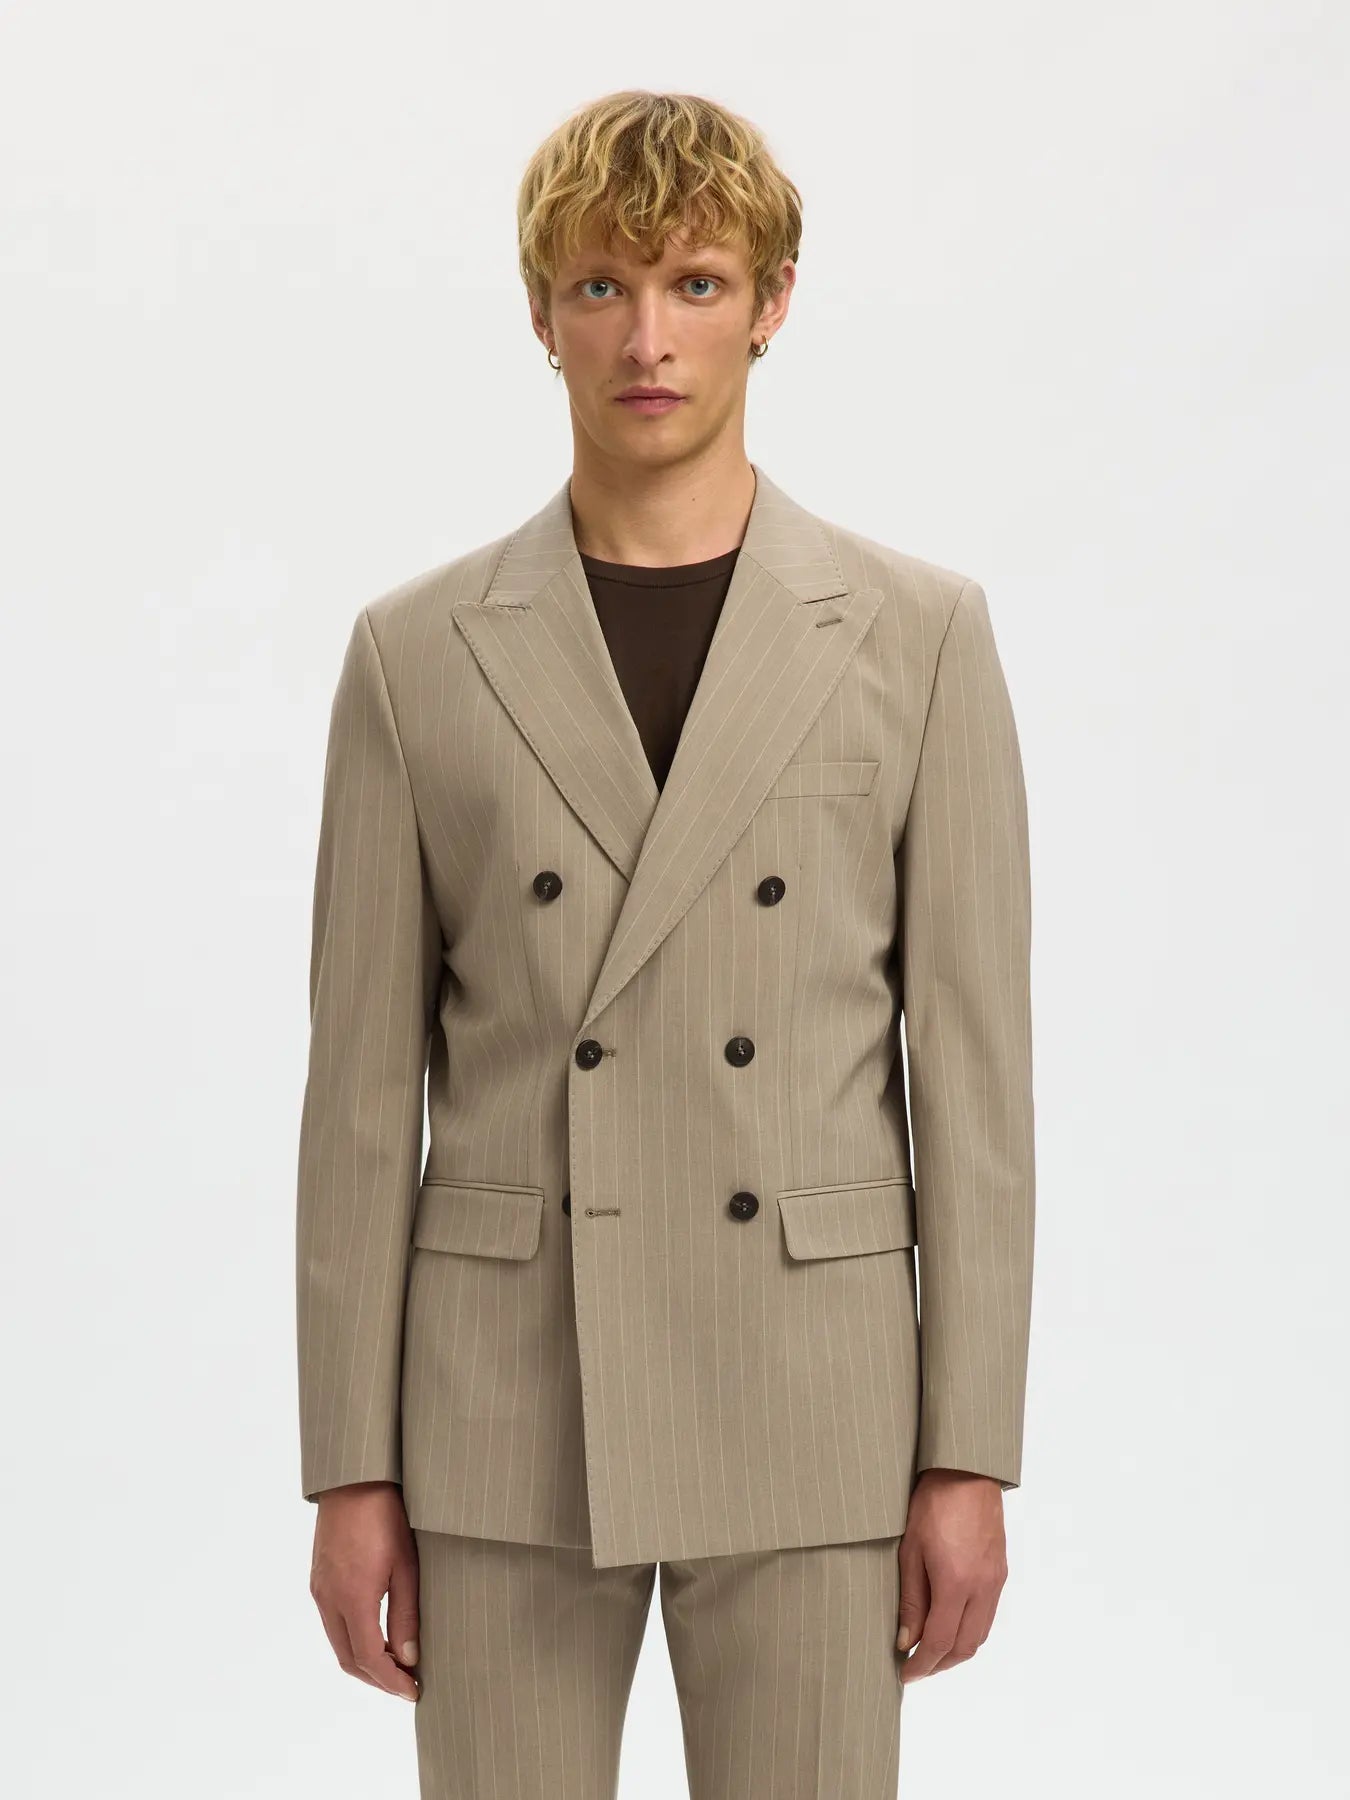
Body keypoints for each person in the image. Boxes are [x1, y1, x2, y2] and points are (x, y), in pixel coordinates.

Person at [295, 87, 1035, 1799]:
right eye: (601, 288)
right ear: (538, 312)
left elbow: (975, 1082)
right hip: (501, 1402)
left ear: (772, 303)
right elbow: (358, 1097)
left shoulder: (916, 636)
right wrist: (350, 1464)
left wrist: (967, 1450)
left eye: (695, 284)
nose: (647, 339)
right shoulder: (415, 652)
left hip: (813, 1386)